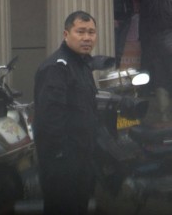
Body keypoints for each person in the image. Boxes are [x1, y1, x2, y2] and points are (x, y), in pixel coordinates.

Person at [34, 11, 99, 215]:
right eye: (80, 32)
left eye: (91, 32)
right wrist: (61, 156)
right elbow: (50, 119)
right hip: (63, 162)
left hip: (82, 156)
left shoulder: (82, 65)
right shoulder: (56, 67)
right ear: (66, 34)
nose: (87, 38)